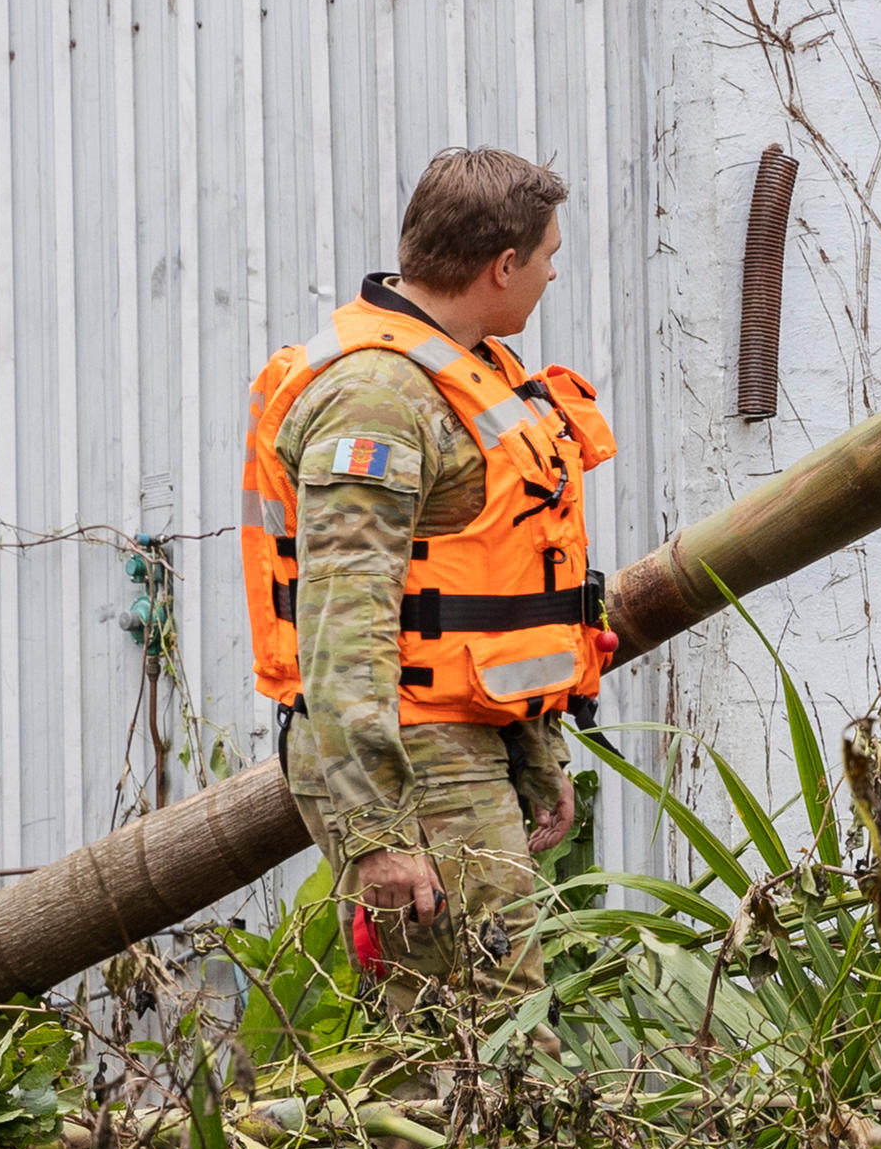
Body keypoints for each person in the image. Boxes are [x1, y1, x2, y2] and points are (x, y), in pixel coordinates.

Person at [238, 148, 616, 998]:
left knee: (486, 1040)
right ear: (503, 265)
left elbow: (470, 600)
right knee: (470, 1044)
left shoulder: (471, 371)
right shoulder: (377, 397)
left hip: (462, 739)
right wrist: (377, 831)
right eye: (549, 257)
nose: (553, 275)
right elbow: (345, 630)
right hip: (412, 756)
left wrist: (533, 746)